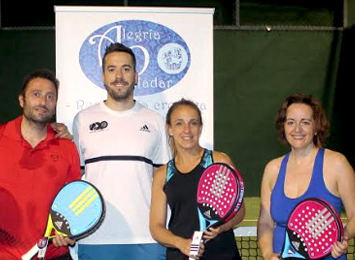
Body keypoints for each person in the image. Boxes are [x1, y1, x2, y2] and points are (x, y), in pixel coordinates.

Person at [72, 42, 171, 260]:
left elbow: (163, 181)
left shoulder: (155, 121)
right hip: (95, 237)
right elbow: (73, 181)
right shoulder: (82, 120)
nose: (119, 76)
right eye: (112, 69)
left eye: (126, 69)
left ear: (136, 76)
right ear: (103, 76)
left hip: (146, 238)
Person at [0, 69, 80, 260]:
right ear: (22, 100)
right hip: (2, 255)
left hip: (54, 254)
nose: (43, 102)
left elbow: (74, 201)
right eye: (36, 94)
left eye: (50, 96)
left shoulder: (67, 147)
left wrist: (68, 231)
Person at [257, 93, 355, 260]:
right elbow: (265, 223)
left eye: (305, 122)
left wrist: (342, 238)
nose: (297, 129)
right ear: (284, 127)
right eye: (291, 122)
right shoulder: (272, 169)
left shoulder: (337, 164)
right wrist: (268, 254)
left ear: (316, 127)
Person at [149, 98, 245, 260]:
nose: (187, 130)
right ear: (170, 129)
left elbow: (239, 211)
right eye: (179, 123)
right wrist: (181, 244)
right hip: (180, 255)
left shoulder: (219, 162)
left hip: (222, 253)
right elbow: (156, 227)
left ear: (200, 128)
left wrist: (223, 227)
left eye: (193, 123)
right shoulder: (162, 174)